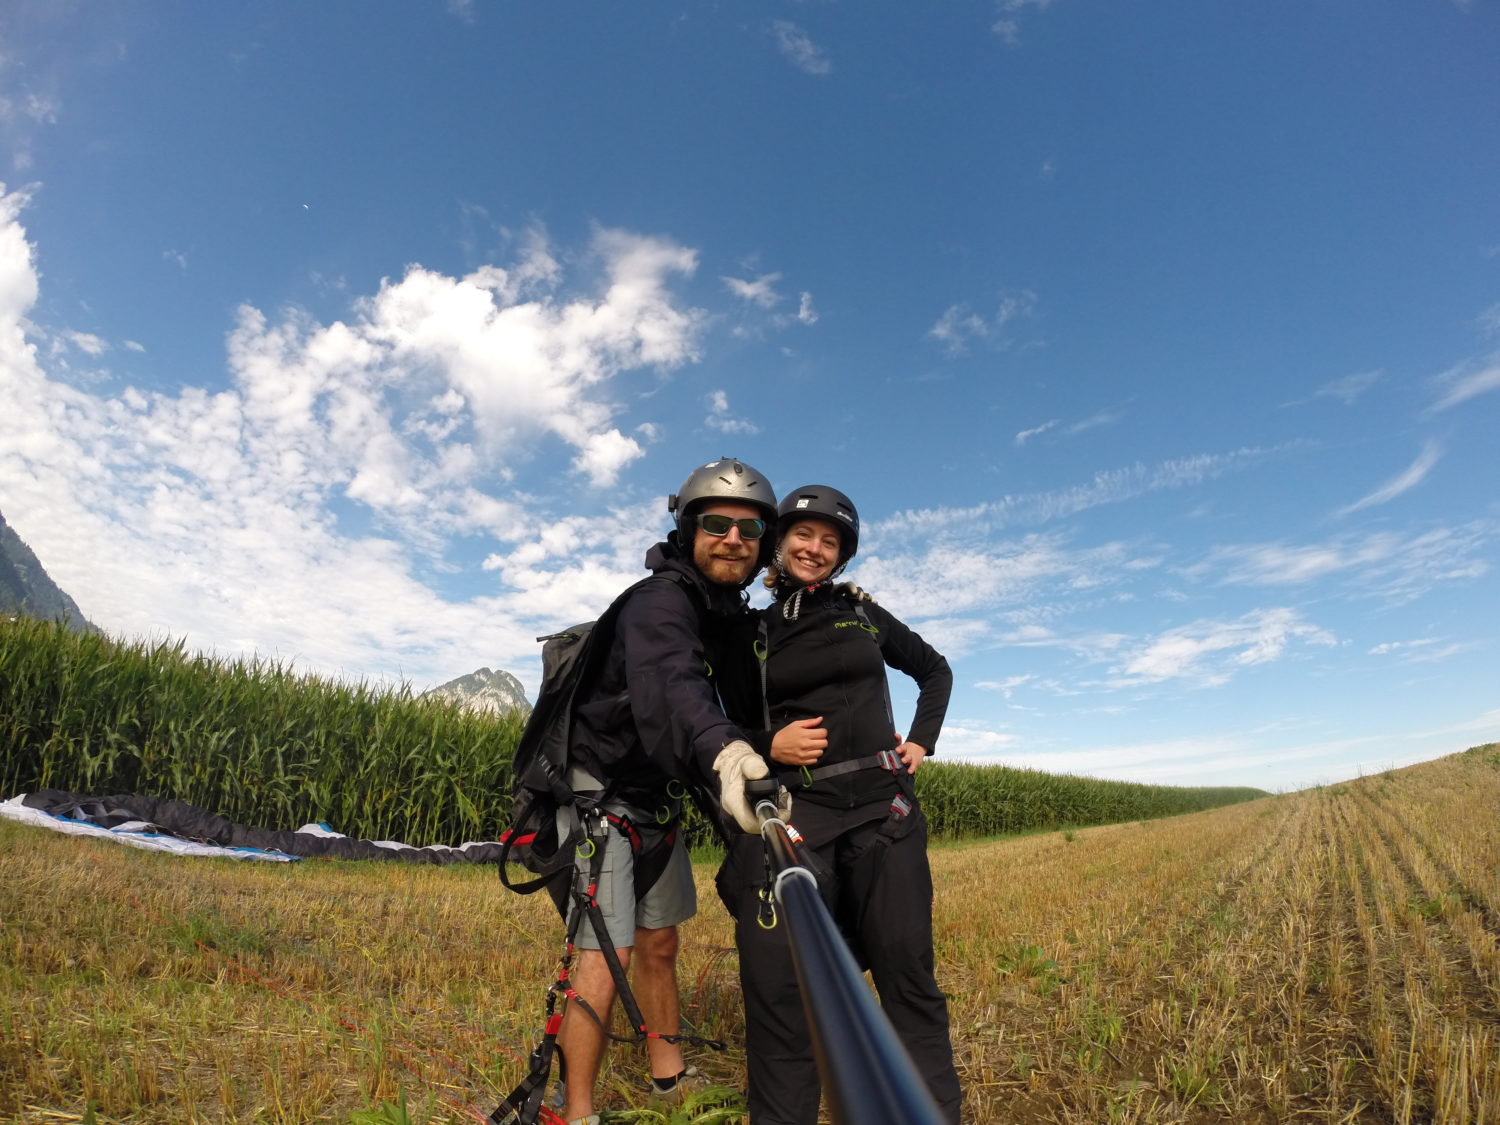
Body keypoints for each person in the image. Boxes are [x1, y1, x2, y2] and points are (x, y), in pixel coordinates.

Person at [716, 484, 963, 1125]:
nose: (815, 549)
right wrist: (769, 741)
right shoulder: (754, 632)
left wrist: (921, 743)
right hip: (800, 817)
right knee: (783, 992)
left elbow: (935, 670)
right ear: (779, 543)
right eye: (804, 536)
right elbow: (723, 725)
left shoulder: (864, 614)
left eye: (830, 542)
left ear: (842, 556)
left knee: (907, 977)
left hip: (886, 814)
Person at [551, 457, 786, 1125]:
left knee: (660, 942)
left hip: (657, 796)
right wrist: (728, 753)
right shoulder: (660, 602)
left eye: (750, 529)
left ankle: (668, 1073)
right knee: (608, 951)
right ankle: (579, 1111)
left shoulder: (724, 613)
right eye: (716, 523)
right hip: (602, 794)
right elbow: (676, 688)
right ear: (687, 530)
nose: (733, 538)